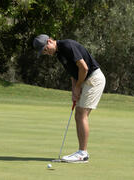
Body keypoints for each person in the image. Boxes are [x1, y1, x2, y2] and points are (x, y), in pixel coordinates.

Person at [33, 34, 106, 163]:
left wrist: (78, 86)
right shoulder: (59, 54)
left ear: (50, 41)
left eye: (45, 49)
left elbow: (84, 68)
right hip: (85, 80)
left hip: (94, 79)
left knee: (81, 115)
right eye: (43, 52)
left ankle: (82, 154)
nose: (46, 53)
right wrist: (74, 90)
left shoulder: (67, 45)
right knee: (79, 114)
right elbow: (74, 73)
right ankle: (81, 153)